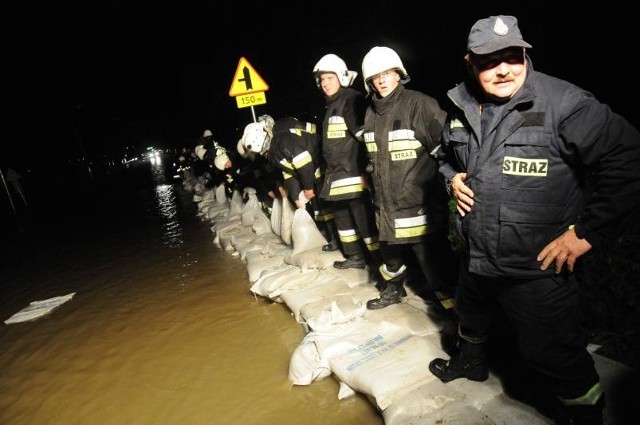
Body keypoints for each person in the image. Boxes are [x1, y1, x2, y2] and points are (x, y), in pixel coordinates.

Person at [429, 15, 640, 424]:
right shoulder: (460, 106)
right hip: (475, 254)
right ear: (470, 63)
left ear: (526, 55)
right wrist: (451, 179)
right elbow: (443, 159)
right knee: (470, 317)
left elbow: (629, 161)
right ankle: (470, 362)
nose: (504, 69)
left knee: (552, 352)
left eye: (513, 57)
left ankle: (585, 414)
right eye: (491, 61)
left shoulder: (565, 104)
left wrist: (587, 231)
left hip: (535, 267)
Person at [359, 46, 458, 310]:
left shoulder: (420, 104)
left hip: (419, 208)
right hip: (385, 206)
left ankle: (455, 315)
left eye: (387, 73)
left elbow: (446, 154)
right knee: (390, 258)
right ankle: (394, 290)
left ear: (398, 74)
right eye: (375, 77)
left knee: (432, 265)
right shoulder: (370, 112)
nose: (381, 80)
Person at [313, 53, 381, 270]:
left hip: (353, 174)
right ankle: (355, 256)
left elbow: (365, 138)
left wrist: (365, 171)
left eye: (329, 78)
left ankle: (381, 263)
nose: (325, 83)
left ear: (341, 77)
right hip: (337, 176)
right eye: (322, 80)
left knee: (364, 220)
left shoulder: (351, 100)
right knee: (343, 219)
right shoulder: (332, 104)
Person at [240, 114, 340, 248]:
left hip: (326, 163)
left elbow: (304, 164)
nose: (264, 154)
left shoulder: (282, 138)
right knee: (319, 208)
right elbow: (288, 172)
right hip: (316, 167)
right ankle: (328, 236)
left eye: (263, 152)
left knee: (328, 206)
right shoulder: (275, 146)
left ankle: (337, 241)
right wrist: (295, 196)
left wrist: (308, 188)